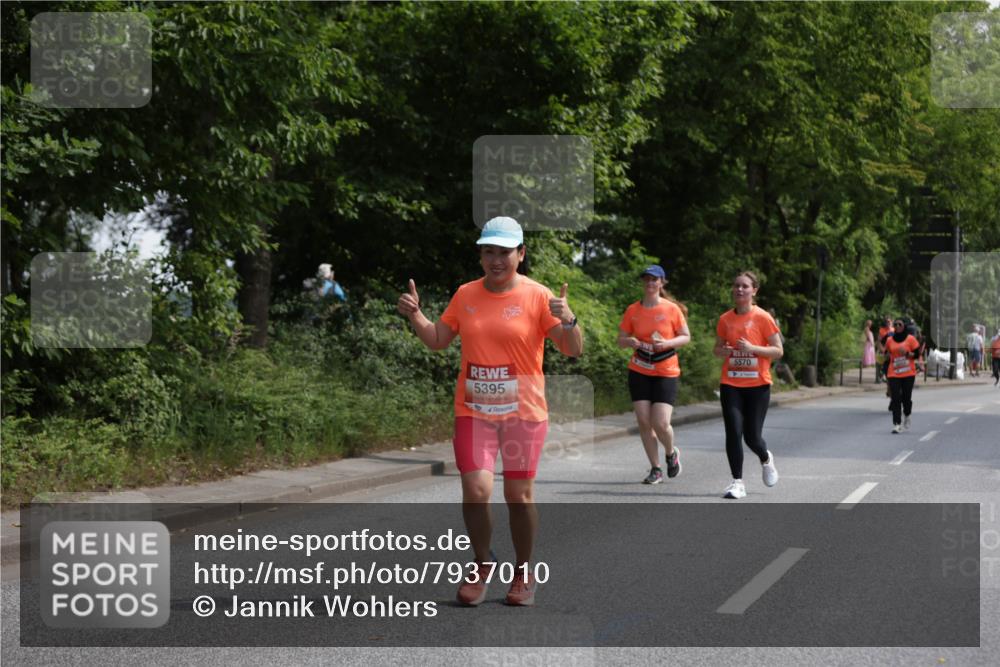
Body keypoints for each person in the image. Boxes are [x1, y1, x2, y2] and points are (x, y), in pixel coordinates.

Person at [396, 216, 583, 607]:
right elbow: (438, 340)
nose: (495, 260)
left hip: (523, 413)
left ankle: (524, 569)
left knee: (519, 495)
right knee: (476, 490)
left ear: (520, 254)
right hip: (474, 411)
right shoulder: (465, 294)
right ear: (481, 255)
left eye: (504, 252)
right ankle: (482, 562)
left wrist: (570, 320)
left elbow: (572, 349)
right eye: (488, 252)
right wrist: (415, 316)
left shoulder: (537, 295)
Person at [617, 265, 691, 485]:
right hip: (639, 368)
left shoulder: (671, 309)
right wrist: (627, 341)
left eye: (654, 280)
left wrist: (666, 343)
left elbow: (685, 337)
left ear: (662, 283)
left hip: (665, 370)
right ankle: (655, 468)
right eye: (647, 279)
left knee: (660, 422)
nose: (650, 283)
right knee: (643, 420)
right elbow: (620, 340)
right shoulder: (633, 310)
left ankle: (670, 453)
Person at [712, 271, 783, 500]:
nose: (739, 289)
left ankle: (765, 458)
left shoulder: (763, 318)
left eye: (744, 286)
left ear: (754, 290)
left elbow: (778, 350)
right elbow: (717, 348)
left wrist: (752, 349)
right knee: (733, 431)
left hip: (758, 385)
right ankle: (737, 482)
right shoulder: (725, 319)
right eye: (736, 286)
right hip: (731, 382)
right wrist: (722, 351)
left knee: (752, 437)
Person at [885, 318, 919, 433]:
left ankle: (907, 414)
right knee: (895, 399)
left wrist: (907, 353)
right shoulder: (889, 340)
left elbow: (917, 354)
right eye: (895, 324)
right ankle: (897, 424)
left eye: (900, 324)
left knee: (906, 398)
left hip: (908, 373)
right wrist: (882, 355)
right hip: (893, 373)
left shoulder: (911, 339)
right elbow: (885, 353)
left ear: (904, 326)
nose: (897, 326)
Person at [876, 316, 892, 384]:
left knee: (889, 365)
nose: (887, 323)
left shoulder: (894, 330)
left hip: (891, 351)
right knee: (879, 364)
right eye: (886, 321)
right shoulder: (882, 330)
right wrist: (882, 349)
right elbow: (878, 341)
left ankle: (887, 378)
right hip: (883, 350)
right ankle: (878, 378)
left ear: (891, 322)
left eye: (889, 321)